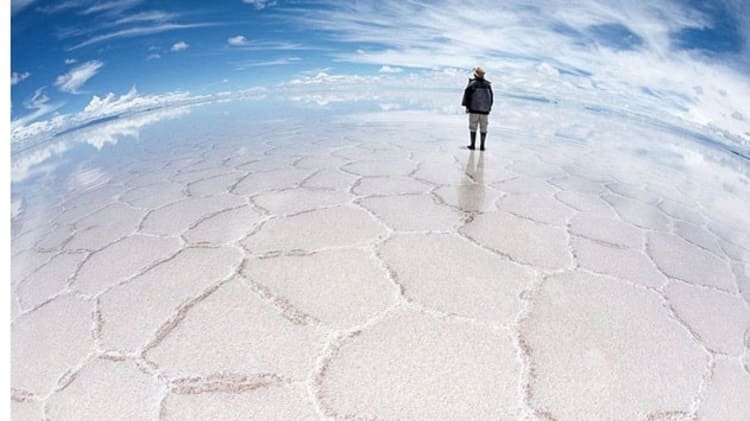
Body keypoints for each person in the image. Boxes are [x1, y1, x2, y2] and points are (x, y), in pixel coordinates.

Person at [461, 67, 493, 150]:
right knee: (484, 128)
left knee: (473, 127)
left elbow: (467, 96)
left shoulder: (472, 84)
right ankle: (482, 146)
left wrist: (467, 107)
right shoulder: (488, 85)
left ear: (475, 74)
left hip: (474, 110)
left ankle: (472, 145)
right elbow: (491, 98)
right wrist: (489, 108)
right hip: (485, 111)